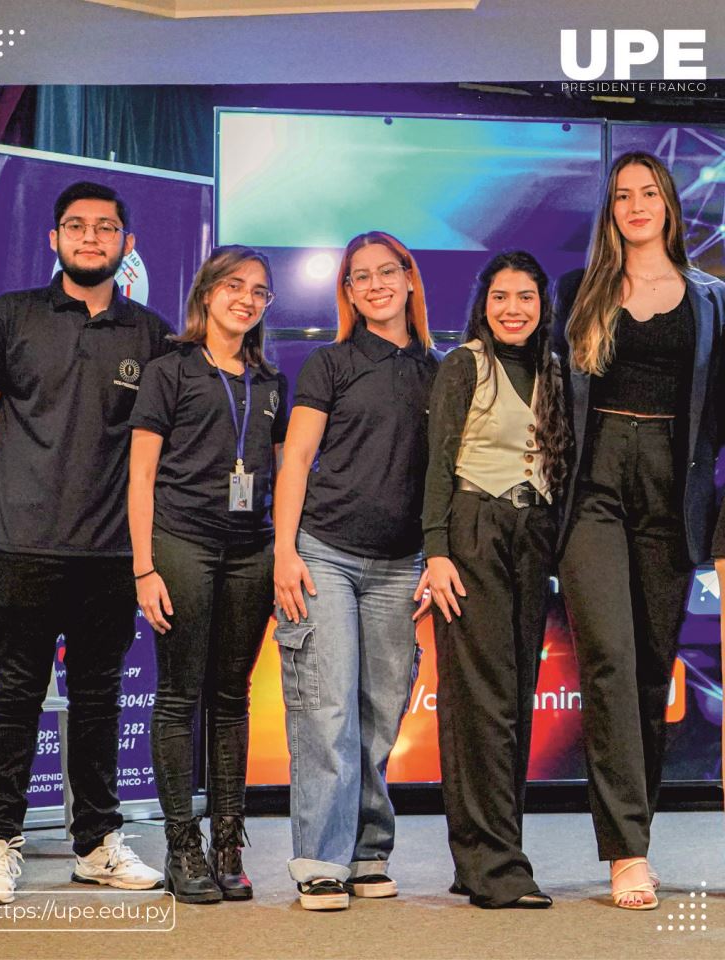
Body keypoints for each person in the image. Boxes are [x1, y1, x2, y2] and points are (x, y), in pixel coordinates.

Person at [0, 181, 171, 904]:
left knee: (100, 698)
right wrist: (22, 485)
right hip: (24, 547)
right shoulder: (9, 316)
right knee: (15, 695)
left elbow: (160, 449)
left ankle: (98, 844)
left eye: (104, 228)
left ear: (126, 245)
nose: (89, 238)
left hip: (113, 553)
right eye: (75, 227)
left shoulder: (152, 333)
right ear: (54, 239)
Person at [554, 152, 725, 910]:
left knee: (653, 671)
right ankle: (625, 851)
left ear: (670, 204)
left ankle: (639, 834)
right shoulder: (579, 291)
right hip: (594, 490)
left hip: (672, 486)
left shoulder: (713, 301)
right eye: (621, 195)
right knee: (611, 663)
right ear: (610, 210)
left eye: (647, 192)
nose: (634, 205)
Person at [273, 231, 439, 911]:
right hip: (325, 554)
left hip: (403, 565)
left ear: (408, 279)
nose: (374, 285)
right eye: (359, 277)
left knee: (378, 713)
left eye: (386, 273)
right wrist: (284, 551)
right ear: (348, 291)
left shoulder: (441, 371)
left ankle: (368, 850)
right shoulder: (331, 364)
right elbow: (297, 461)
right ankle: (320, 858)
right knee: (327, 709)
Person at [128, 246, 287, 904]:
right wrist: (143, 568)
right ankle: (182, 845)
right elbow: (139, 475)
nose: (246, 299)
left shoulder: (271, 383)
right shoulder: (171, 370)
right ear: (207, 293)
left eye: (259, 291)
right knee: (179, 697)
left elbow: (284, 475)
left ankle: (228, 844)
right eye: (234, 286)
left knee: (231, 699)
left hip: (251, 549)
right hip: (182, 543)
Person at [423, 251, 568, 910]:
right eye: (502, 295)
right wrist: (436, 550)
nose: (514, 308)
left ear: (543, 306)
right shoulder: (465, 366)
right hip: (474, 530)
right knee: (483, 703)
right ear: (484, 302)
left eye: (527, 297)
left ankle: (478, 853)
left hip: (531, 536)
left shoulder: (553, 370)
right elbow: (437, 464)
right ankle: (497, 865)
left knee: (514, 697)